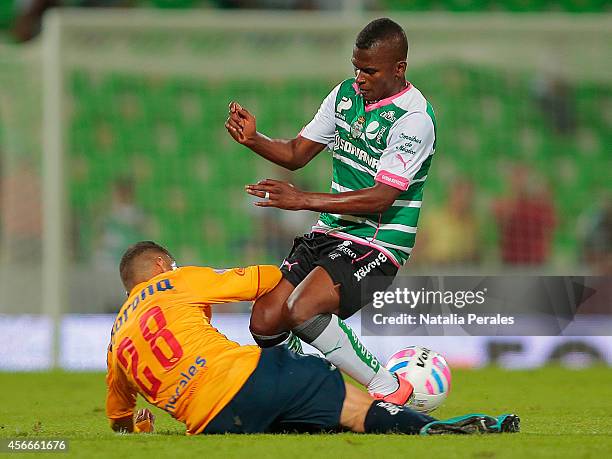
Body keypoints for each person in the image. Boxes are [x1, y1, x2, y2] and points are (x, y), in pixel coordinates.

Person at [225, 18, 435, 403]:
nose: (360, 77)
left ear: (399, 68)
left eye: (369, 70)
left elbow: (381, 198)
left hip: (377, 241)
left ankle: (390, 389)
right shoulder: (344, 96)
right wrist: (254, 139)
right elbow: (294, 154)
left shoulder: (414, 119)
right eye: (356, 67)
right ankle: (301, 390)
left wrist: (301, 199)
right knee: (266, 319)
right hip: (330, 231)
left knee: (302, 309)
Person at [105, 241, 519, 435]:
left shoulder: (115, 338)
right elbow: (266, 280)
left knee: (311, 421)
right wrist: (303, 294)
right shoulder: (177, 281)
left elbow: (119, 416)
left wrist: (138, 431)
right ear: (161, 264)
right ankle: (433, 429)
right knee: (345, 400)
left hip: (209, 423)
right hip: (245, 378)